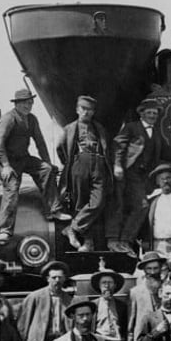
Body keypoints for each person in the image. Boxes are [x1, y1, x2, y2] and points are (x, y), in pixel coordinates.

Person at [0, 88, 68, 240]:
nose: (27, 106)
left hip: (24, 158)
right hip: (8, 160)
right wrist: (5, 166)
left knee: (46, 170)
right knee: (12, 188)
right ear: (17, 104)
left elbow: (40, 142)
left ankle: (53, 210)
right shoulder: (9, 119)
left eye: (30, 103)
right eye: (24, 103)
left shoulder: (32, 119)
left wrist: (47, 162)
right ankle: (5, 229)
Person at [57, 95, 112, 252]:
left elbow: (107, 148)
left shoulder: (99, 128)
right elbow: (60, 149)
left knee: (98, 201)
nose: (87, 113)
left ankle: (72, 228)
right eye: (84, 109)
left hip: (99, 165)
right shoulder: (69, 129)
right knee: (80, 203)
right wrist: (72, 163)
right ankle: (87, 242)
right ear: (77, 110)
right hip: (79, 164)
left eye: (90, 110)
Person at [110, 99, 163, 256]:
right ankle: (124, 241)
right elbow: (119, 146)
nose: (152, 115)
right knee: (141, 206)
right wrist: (118, 165)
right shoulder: (131, 127)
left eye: (155, 113)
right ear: (142, 113)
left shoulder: (156, 133)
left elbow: (163, 154)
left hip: (143, 177)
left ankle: (126, 241)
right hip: (129, 172)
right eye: (149, 113)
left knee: (139, 206)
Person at [129, 252, 166, 341]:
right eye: (149, 269)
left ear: (161, 268)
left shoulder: (168, 290)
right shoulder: (135, 292)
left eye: (156, 268)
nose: (153, 272)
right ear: (144, 271)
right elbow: (131, 321)